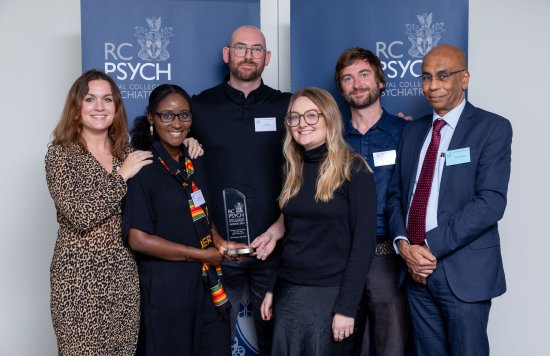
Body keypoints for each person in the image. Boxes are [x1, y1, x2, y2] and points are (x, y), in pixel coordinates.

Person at [387, 44, 512, 356]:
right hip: (415, 272)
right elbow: (396, 196)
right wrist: (404, 245)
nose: (433, 86)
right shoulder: (413, 131)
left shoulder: (492, 128)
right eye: (426, 77)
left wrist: (428, 248)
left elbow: (491, 202)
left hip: (463, 271)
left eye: (443, 76)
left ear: (465, 78)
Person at [190, 25, 291, 353]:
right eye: (240, 48)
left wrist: (280, 229)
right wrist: (214, 236)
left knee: (276, 339)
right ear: (226, 54)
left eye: (257, 49)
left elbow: (314, 166)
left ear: (268, 57)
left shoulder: (287, 107)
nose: (248, 55)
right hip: (220, 249)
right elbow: (176, 164)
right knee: (214, 338)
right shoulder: (199, 108)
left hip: (273, 249)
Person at [260, 87, 377, 355]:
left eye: (312, 115)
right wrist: (271, 288)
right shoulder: (292, 169)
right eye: (295, 117)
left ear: (329, 118)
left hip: (332, 294)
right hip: (290, 292)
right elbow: (292, 236)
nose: (302, 124)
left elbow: (363, 245)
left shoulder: (354, 170)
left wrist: (347, 308)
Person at [45, 69, 153, 355]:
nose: (99, 107)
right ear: (76, 106)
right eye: (90, 99)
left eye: (107, 99)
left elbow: (164, 180)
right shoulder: (60, 155)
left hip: (123, 279)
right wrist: (122, 177)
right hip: (76, 279)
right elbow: (79, 214)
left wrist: (191, 144)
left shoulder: (126, 153)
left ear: (116, 107)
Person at [123, 84, 231, 355]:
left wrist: (219, 243)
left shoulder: (194, 161)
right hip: (167, 291)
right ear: (151, 118)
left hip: (207, 285)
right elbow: (137, 239)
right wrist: (200, 255)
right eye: (167, 115)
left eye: (184, 115)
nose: (177, 123)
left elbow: (204, 214)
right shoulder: (142, 167)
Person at [335, 47, 410, 356]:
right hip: (341, 257)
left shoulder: (407, 132)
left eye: (364, 75)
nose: (357, 84)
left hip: (386, 258)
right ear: (340, 88)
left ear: (380, 81)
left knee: (391, 347)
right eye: (348, 78)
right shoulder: (331, 138)